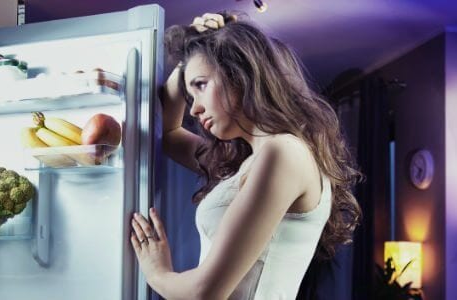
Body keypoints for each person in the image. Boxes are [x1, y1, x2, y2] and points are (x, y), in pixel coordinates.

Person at [130, 12, 362, 299]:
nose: (194, 109)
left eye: (201, 86)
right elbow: (166, 132)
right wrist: (192, 51)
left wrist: (157, 273)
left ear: (239, 74)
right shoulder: (249, 163)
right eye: (191, 95)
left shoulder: (284, 153)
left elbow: (206, 292)